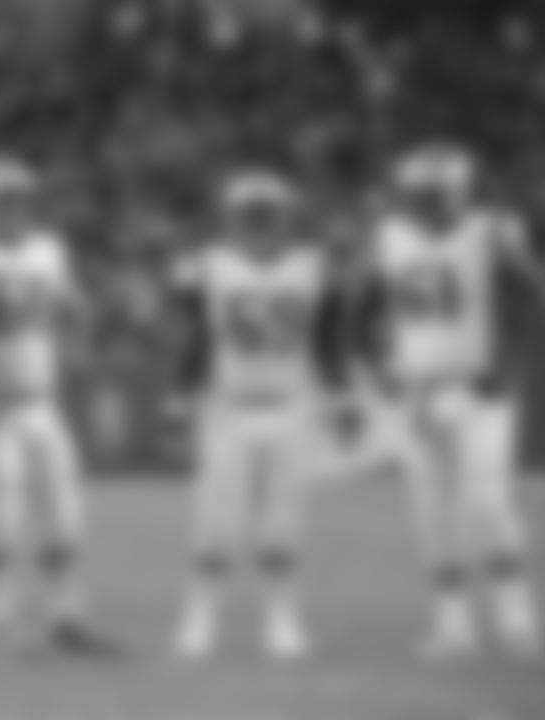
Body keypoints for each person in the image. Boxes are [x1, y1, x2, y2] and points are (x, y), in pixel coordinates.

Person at [352, 142, 545, 658]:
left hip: (478, 388)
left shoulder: (490, 233)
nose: (429, 203)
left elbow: (536, 302)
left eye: (437, 193)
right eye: (420, 194)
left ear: (461, 189)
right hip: (418, 394)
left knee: (488, 501)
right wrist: (382, 374)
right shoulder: (389, 239)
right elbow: (358, 314)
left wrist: (505, 369)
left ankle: (516, 618)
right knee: (432, 515)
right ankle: (453, 626)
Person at [167, 169, 338, 660]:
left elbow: (328, 339)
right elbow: (193, 339)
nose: (260, 224)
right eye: (250, 214)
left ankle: (282, 620)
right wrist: (177, 398)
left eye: (268, 213)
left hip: (292, 404)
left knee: (283, 522)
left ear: (286, 217)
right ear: (232, 218)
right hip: (227, 406)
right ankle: (199, 618)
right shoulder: (208, 265)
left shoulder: (312, 266)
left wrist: (342, 392)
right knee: (215, 522)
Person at [0, 158, 113, 653]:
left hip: (42, 402)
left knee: (64, 516)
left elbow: (72, 304)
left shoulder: (48, 251)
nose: (10, 211)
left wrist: (79, 321)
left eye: (17, 200)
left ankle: (67, 617)